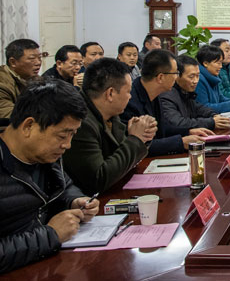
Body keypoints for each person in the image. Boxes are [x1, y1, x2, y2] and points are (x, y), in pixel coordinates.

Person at [0, 79, 99, 274]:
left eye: (72, 135)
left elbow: (65, 186)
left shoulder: (43, 154)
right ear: (28, 126)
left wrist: (74, 200)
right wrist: (50, 235)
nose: (67, 145)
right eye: (62, 136)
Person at [62, 58, 157, 195]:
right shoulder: (80, 122)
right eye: (128, 92)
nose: (130, 97)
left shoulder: (110, 114)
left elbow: (121, 159)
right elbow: (98, 179)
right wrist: (135, 139)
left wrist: (143, 137)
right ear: (110, 93)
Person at [122, 49, 202, 156]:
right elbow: (139, 146)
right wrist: (180, 142)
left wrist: (188, 131)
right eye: (175, 73)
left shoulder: (155, 93)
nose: (176, 77)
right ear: (160, 77)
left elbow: (162, 127)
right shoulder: (130, 101)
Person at [159, 55, 229, 137]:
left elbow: (200, 109)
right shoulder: (167, 95)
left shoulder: (186, 92)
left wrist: (214, 116)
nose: (195, 81)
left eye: (198, 76)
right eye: (191, 77)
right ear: (177, 76)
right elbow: (176, 123)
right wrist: (211, 122)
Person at [195, 45, 230, 113]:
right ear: (205, 63)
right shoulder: (199, 80)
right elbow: (204, 107)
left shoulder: (213, 77)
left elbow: (220, 98)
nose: (221, 66)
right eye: (218, 63)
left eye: (221, 63)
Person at [0, 39, 42, 119]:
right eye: (32, 59)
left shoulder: (36, 79)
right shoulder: (2, 83)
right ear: (13, 62)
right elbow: (9, 114)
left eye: (40, 58)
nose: (38, 63)